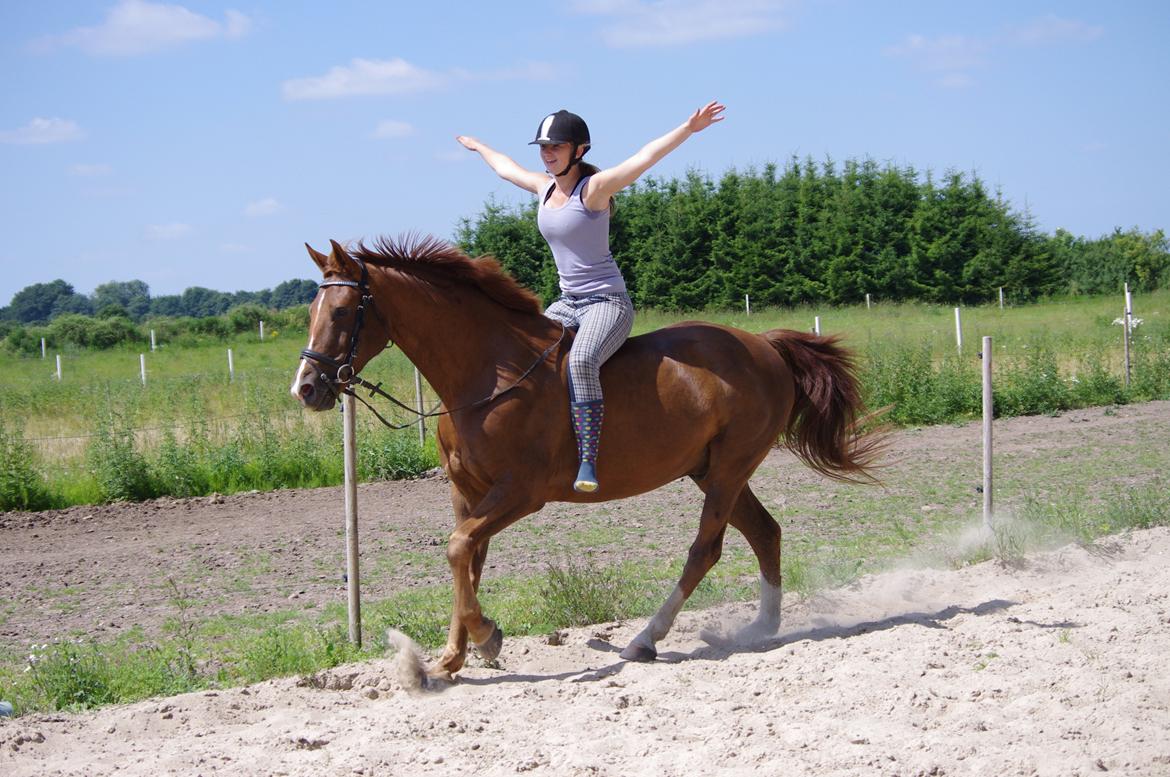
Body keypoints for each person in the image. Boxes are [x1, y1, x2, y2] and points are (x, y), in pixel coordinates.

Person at [457, 101, 725, 493]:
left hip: (607, 303)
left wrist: (688, 128)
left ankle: (587, 457)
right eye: (543, 148)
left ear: (579, 150)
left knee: (581, 360)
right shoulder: (543, 187)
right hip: (567, 303)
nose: (547, 154)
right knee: (528, 353)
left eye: (556, 147)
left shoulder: (594, 190)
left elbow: (646, 157)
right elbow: (505, 168)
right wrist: (479, 146)